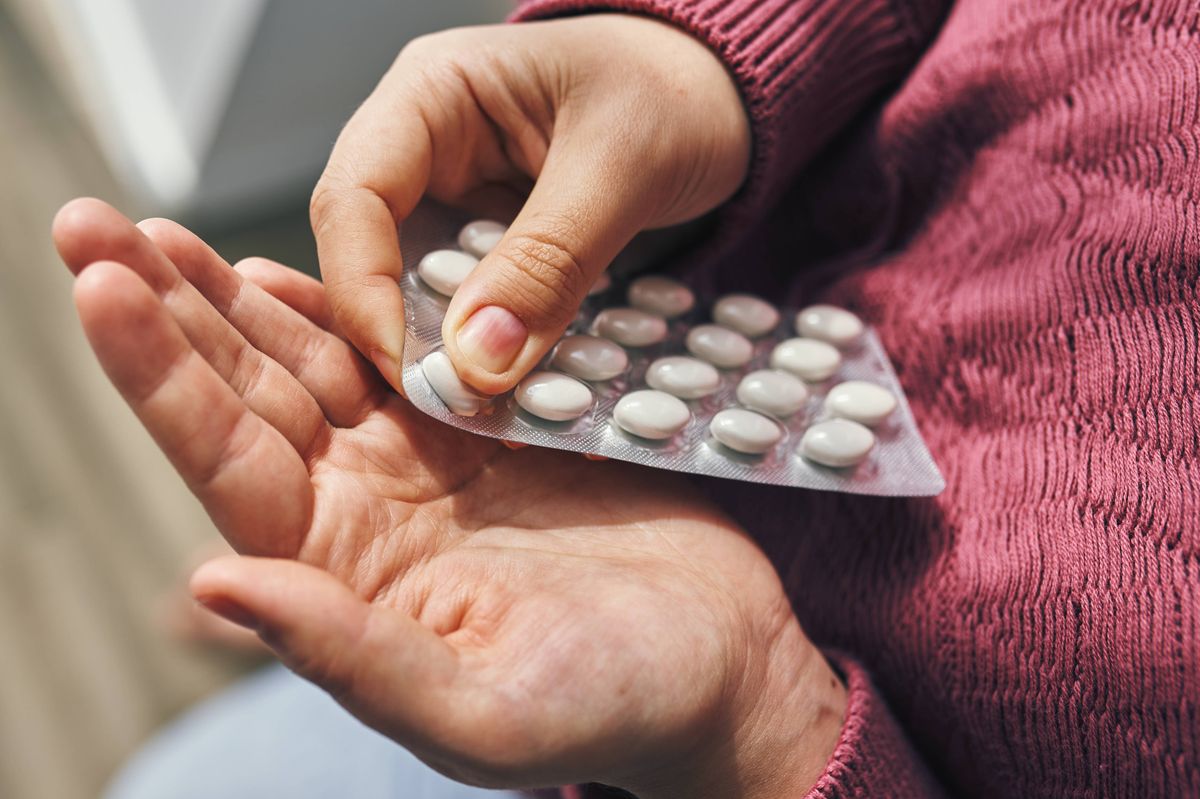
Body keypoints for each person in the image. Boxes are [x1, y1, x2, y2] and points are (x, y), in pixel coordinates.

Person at [52, 0, 1198, 796]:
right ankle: (350, 600)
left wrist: (754, 740)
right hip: (617, 409)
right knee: (297, 627)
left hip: (698, 706)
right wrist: (709, 58)